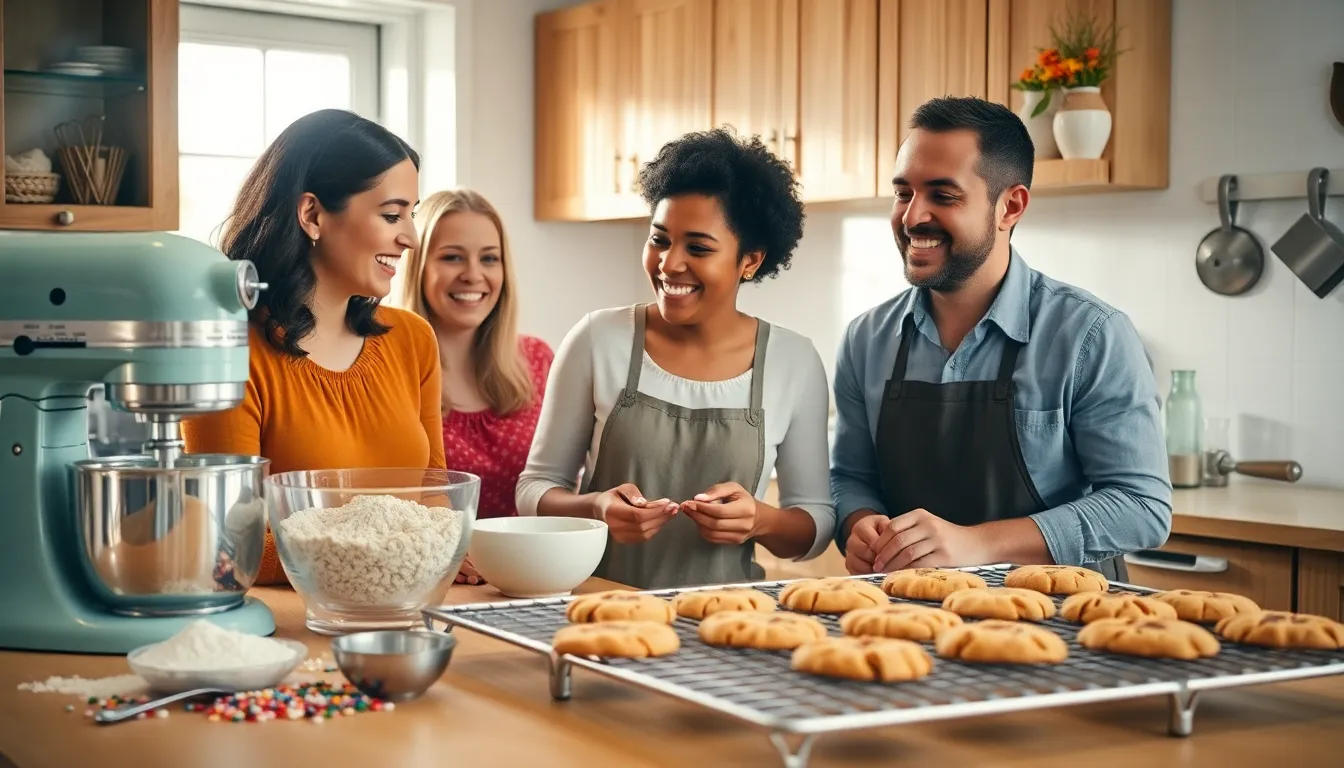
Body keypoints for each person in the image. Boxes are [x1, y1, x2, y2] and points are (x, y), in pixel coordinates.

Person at [830, 96, 1171, 580]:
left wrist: (975, 544)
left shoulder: (1091, 335)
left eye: (942, 196)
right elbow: (850, 477)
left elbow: (1142, 507)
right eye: (904, 193)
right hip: (911, 617)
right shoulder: (867, 339)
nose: (911, 218)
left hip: (1064, 623)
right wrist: (858, 523)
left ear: (1010, 206)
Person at [515, 127, 835, 590]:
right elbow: (534, 491)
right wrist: (596, 508)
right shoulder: (598, 339)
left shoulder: (794, 361)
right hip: (598, 609)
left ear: (750, 260)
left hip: (727, 619)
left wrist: (760, 520)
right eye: (660, 239)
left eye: (698, 248)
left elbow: (816, 525)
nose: (669, 263)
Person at [183, 109, 444, 586]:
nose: (409, 237)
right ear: (312, 214)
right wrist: (372, 562)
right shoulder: (230, 354)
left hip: (409, 605)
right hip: (292, 624)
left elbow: (436, 497)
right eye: (391, 215)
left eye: (411, 214)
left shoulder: (412, 340)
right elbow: (224, 542)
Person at [399, 189, 554, 585]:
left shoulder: (538, 360)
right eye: (452, 257)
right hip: (429, 583)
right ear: (418, 267)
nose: (473, 274)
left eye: (489, 258)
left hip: (532, 578)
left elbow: (563, 483)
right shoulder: (388, 368)